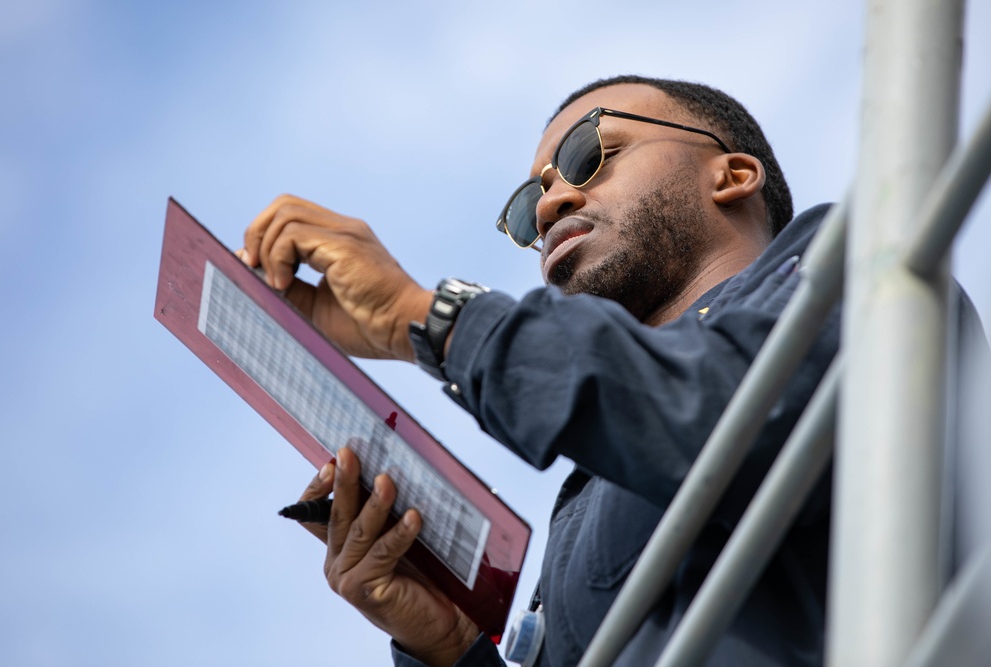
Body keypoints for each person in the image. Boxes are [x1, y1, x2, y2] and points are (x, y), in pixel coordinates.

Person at [240, 75, 837, 665]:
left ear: (731, 175)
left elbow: (736, 418)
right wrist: (450, 649)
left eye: (590, 153)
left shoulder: (848, 272)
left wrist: (425, 319)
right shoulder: (592, 486)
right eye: (530, 209)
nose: (551, 206)